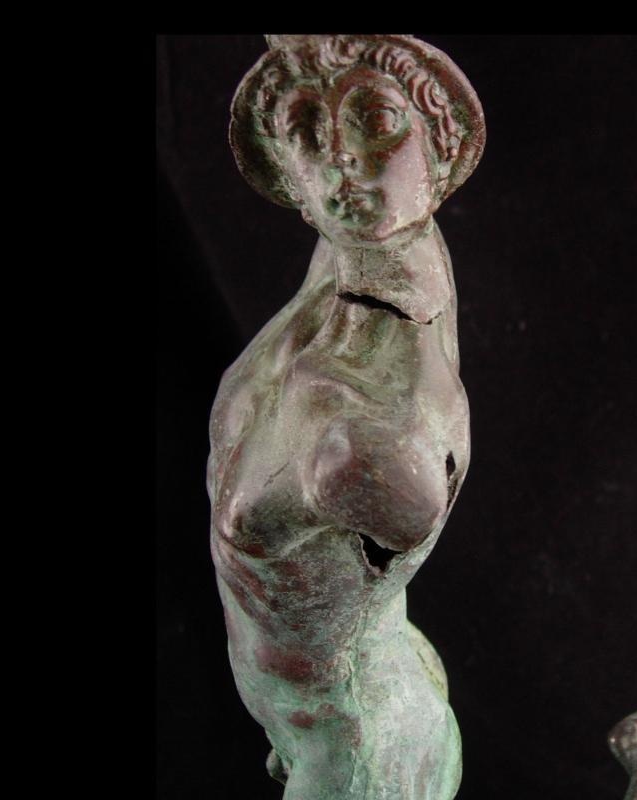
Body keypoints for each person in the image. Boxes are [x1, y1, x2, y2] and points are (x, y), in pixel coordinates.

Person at [208, 35, 485, 800]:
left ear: (438, 151)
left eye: (378, 119)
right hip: (317, 706)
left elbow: (409, 495)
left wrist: (351, 466)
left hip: (356, 741)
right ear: (290, 183)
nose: (343, 159)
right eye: (305, 131)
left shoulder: (378, 416)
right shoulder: (344, 272)